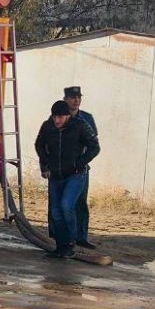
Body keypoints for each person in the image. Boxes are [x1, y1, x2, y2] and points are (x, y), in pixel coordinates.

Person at [34, 100, 100, 259]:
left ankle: (71, 242)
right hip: (55, 176)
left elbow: (94, 147)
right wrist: (44, 165)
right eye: (55, 117)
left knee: (66, 206)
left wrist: (80, 163)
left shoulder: (80, 126)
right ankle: (61, 246)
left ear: (67, 116)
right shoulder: (47, 126)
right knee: (56, 212)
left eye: (61, 117)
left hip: (75, 175)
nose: (57, 121)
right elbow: (39, 145)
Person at [63, 86, 96, 248]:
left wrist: (83, 161)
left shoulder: (87, 118)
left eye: (78, 98)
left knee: (80, 202)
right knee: (61, 203)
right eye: (72, 97)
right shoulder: (59, 117)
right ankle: (61, 237)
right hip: (61, 168)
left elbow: (93, 143)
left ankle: (81, 237)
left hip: (80, 167)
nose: (76, 100)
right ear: (65, 99)